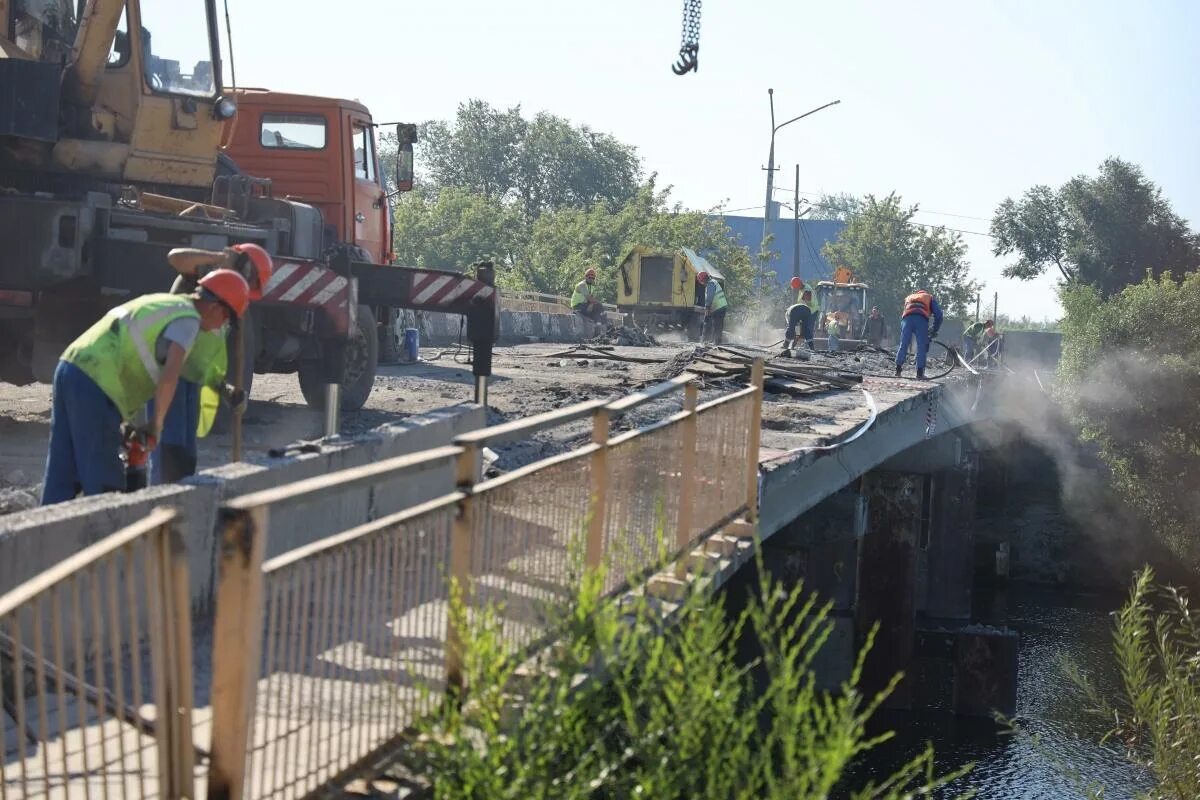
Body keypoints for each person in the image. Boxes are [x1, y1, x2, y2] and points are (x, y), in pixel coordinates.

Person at [41, 271, 251, 505]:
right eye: (226, 319)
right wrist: (156, 425)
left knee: (62, 473)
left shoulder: (167, 304)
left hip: (72, 365)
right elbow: (170, 376)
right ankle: (111, 539)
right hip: (97, 378)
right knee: (106, 485)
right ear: (216, 308)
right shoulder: (188, 320)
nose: (222, 326)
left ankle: (43, 535)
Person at [149, 244, 273, 483]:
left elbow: (207, 361)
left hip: (189, 381)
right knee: (169, 456)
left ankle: (181, 507)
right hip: (169, 374)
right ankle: (161, 507)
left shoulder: (226, 303)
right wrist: (216, 256)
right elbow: (174, 257)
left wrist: (227, 391)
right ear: (244, 268)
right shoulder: (201, 281)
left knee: (185, 457)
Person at [894, 288, 943, 380]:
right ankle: (920, 374)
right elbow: (939, 315)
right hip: (920, 319)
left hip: (906, 320)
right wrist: (934, 329)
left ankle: (898, 370)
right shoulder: (929, 297)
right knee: (922, 346)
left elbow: (904, 313)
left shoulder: (909, 297)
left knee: (903, 344)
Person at [571, 267, 605, 336]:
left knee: (597, 313)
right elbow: (590, 298)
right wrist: (592, 303)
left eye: (593, 278)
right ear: (586, 277)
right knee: (599, 306)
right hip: (577, 306)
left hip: (585, 305)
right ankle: (603, 324)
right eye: (590, 277)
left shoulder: (591, 286)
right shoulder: (581, 285)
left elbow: (591, 299)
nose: (591, 279)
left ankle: (598, 330)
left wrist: (591, 304)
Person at [698, 270, 728, 344]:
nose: (702, 283)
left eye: (701, 281)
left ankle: (710, 341)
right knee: (718, 325)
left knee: (713, 324)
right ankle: (716, 341)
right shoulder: (713, 281)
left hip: (718, 307)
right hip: (720, 306)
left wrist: (707, 307)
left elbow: (710, 297)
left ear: (703, 279)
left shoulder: (710, 284)